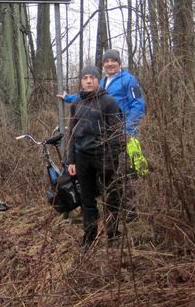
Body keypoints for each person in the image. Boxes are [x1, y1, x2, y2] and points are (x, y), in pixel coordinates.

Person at [60, 50, 148, 215]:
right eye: (106, 61)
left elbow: (138, 106)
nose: (110, 64)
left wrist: (125, 129)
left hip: (123, 133)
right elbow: (89, 99)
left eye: (113, 60)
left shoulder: (129, 80)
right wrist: (68, 98)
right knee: (109, 176)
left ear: (119, 63)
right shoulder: (102, 81)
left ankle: (129, 211)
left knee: (124, 171)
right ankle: (110, 209)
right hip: (103, 138)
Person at [61, 66, 125, 248]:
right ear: (81, 81)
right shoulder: (77, 105)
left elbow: (116, 133)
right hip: (82, 158)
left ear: (98, 80)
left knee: (111, 197)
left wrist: (110, 158)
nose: (89, 81)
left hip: (104, 157)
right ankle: (89, 237)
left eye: (92, 78)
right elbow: (72, 134)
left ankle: (113, 235)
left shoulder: (109, 102)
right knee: (86, 199)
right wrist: (71, 160)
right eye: (85, 78)